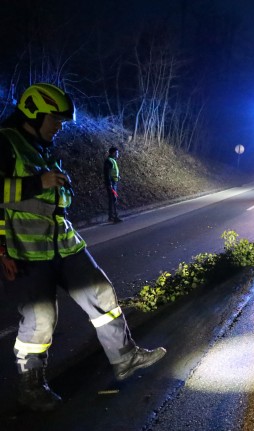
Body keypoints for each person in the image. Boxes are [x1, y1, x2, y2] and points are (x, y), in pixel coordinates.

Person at [0, 83, 166, 412]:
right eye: (55, 121)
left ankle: (125, 358)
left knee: (102, 293)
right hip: (27, 252)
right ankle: (31, 387)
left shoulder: (41, 146)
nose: (59, 128)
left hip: (64, 243)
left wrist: (60, 188)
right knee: (40, 318)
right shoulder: (5, 142)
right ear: (34, 114)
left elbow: (57, 196)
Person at [104, 146, 122, 222]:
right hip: (111, 183)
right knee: (113, 199)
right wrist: (109, 184)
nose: (118, 154)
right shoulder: (109, 161)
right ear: (114, 153)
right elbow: (107, 174)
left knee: (112, 199)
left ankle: (111, 217)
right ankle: (114, 217)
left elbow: (113, 172)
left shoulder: (112, 160)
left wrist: (117, 176)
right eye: (117, 152)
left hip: (113, 182)